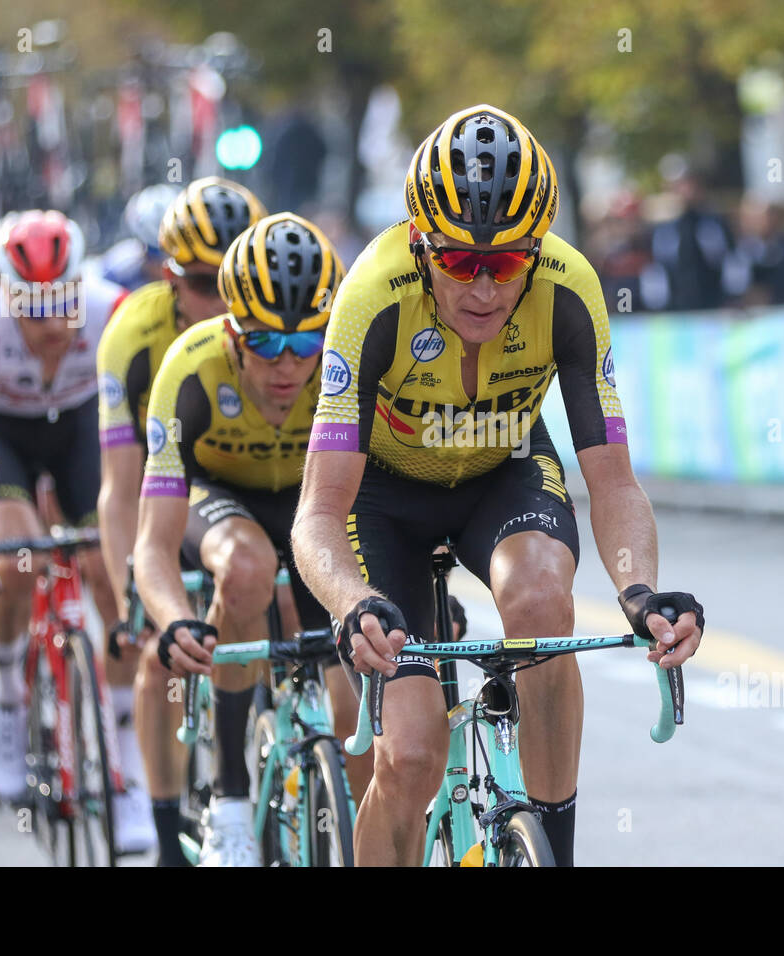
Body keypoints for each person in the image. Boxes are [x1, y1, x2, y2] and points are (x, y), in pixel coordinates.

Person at [290, 104, 705, 867]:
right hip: (383, 498)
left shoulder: (570, 288)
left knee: (545, 597)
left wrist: (641, 591)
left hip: (502, 469)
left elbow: (612, 482)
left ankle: (554, 847)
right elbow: (318, 510)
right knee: (410, 757)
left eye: (506, 263)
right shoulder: (371, 296)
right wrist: (352, 603)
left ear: (536, 251)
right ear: (420, 245)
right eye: (458, 262)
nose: (482, 287)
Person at [134, 213, 356, 867]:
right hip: (217, 496)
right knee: (247, 566)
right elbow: (151, 544)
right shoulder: (189, 368)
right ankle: (230, 796)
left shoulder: (347, 356)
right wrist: (174, 620)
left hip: (312, 501)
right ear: (231, 331)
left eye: (305, 341)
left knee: (354, 700)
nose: (288, 364)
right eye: (264, 344)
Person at [0, 210, 155, 851]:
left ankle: (128, 779)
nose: (52, 325)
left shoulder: (112, 311)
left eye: (61, 303)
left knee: (116, 579)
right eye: (31, 308)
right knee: (15, 559)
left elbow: (140, 442)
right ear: (3, 295)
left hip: (82, 430)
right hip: (6, 436)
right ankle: (4, 693)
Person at [96, 176, 264, 866]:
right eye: (203, 283)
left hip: (248, 482)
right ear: (168, 276)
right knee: (157, 651)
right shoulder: (134, 334)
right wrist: (130, 596)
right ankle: (168, 835)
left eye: (236, 281)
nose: (223, 303)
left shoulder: (277, 320)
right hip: (162, 487)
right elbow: (117, 487)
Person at [650, 163, 733, 311]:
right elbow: (658, 269)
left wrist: (731, 298)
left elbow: (728, 260)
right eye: (680, 186)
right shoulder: (662, 230)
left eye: (691, 185)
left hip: (713, 306)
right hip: (677, 310)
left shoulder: (715, 223)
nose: (687, 191)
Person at [721, 195, 784, 307]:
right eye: (751, 218)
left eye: (761, 217)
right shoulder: (738, 250)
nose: (756, 222)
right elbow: (733, 286)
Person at [99, 184, 183, 291]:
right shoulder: (117, 270)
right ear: (141, 245)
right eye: (153, 252)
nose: (162, 263)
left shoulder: (195, 275)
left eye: (170, 251)